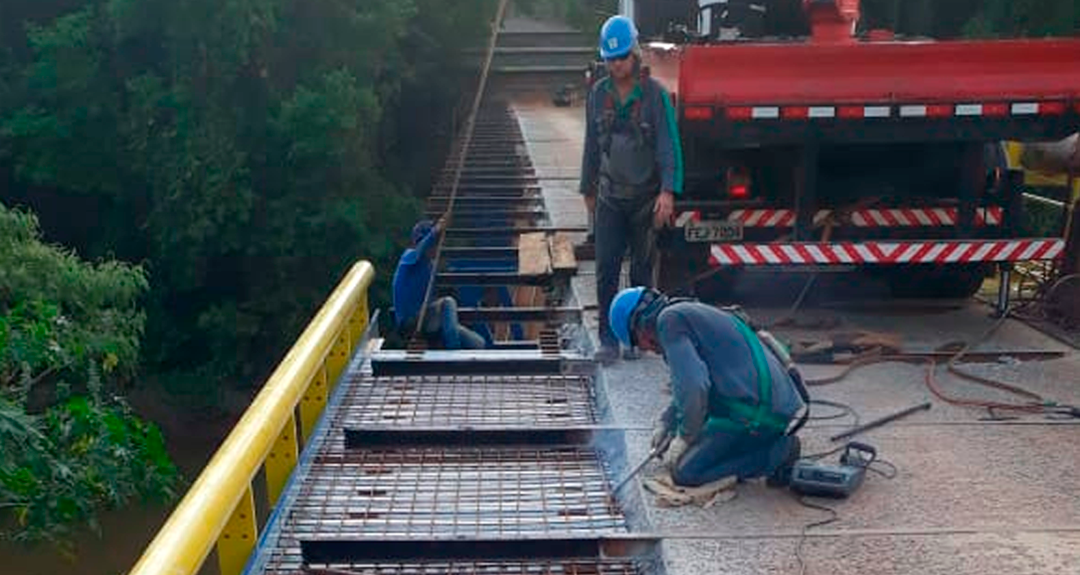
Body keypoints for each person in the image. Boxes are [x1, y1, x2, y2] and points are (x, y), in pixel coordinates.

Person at [608, 287, 808, 487]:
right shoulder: (682, 312)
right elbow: (689, 387)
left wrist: (685, 436)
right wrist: (667, 423)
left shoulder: (668, 322)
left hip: (755, 413)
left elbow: (694, 386)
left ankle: (776, 454)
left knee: (686, 472)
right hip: (765, 403)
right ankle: (756, 445)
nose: (646, 350)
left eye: (638, 343)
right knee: (694, 440)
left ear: (639, 325)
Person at [580, 15, 684, 364]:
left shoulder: (653, 95)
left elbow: (669, 146)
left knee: (641, 272)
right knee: (606, 268)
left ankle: (637, 340)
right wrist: (587, 187)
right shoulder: (598, 94)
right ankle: (608, 339)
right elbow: (591, 145)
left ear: (634, 54)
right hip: (610, 196)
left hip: (644, 199)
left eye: (621, 57)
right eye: (610, 59)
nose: (616, 64)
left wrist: (667, 192)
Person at [392, 217, 486, 350]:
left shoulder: (429, 266)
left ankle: (461, 353)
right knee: (447, 302)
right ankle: (453, 354)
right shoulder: (409, 257)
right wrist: (436, 231)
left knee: (478, 342)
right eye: (435, 243)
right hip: (411, 321)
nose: (437, 247)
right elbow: (421, 249)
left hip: (426, 319)